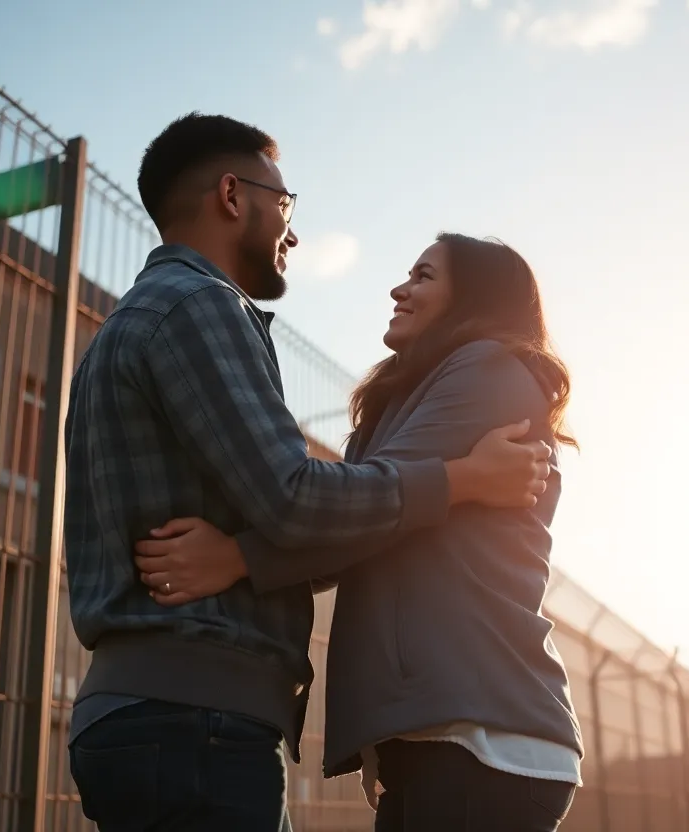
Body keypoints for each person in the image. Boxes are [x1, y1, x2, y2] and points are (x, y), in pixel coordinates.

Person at [63, 113, 554, 832]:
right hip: (191, 719)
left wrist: (238, 557)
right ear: (233, 196)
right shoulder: (200, 306)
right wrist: (459, 480)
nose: (291, 232)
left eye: (423, 274)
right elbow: (298, 499)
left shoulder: (134, 321)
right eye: (285, 204)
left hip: (173, 717)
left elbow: (331, 518)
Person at [135, 232, 583, 831]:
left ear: (475, 296)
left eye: (424, 276)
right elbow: (354, 520)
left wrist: (236, 558)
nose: (400, 289)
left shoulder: (489, 370)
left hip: (483, 734)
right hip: (442, 733)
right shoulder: (403, 402)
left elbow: (360, 512)